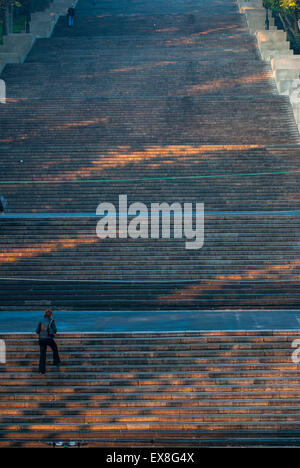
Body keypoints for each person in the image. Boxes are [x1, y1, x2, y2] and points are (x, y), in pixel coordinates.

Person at [36, 309, 61, 374]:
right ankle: (56, 362)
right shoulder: (51, 320)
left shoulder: (41, 320)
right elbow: (55, 330)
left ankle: (41, 370)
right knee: (54, 348)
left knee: (42, 354)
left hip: (41, 339)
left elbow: (37, 330)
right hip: (48, 338)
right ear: (50, 315)